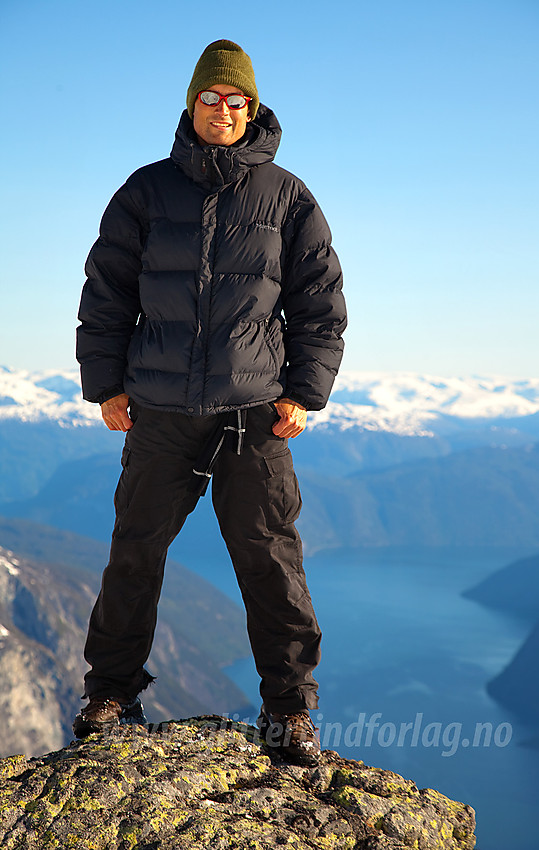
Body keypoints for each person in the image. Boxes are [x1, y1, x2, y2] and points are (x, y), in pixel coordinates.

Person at [73, 39, 346, 765]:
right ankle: (110, 692)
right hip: (159, 410)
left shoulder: (288, 198)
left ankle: (288, 711)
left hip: (252, 412)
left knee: (270, 562)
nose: (222, 111)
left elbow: (319, 305)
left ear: (250, 110)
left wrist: (304, 394)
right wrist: (105, 384)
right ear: (190, 105)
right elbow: (105, 295)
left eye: (236, 102)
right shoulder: (144, 191)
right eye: (209, 99)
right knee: (134, 554)